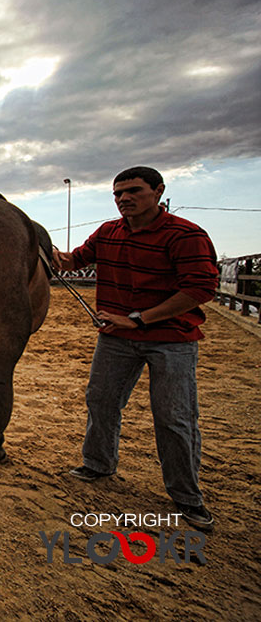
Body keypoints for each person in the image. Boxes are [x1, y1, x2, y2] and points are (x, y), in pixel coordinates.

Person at [53, 166, 219, 532]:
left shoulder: (186, 235)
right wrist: (32, 238)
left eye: (133, 191)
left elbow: (200, 289)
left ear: (158, 191)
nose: (124, 199)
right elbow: (71, 261)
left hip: (171, 340)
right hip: (116, 338)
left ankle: (187, 497)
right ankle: (98, 464)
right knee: (101, 400)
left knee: (174, 416)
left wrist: (140, 319)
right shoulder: (108, 233)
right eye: (117, 194)